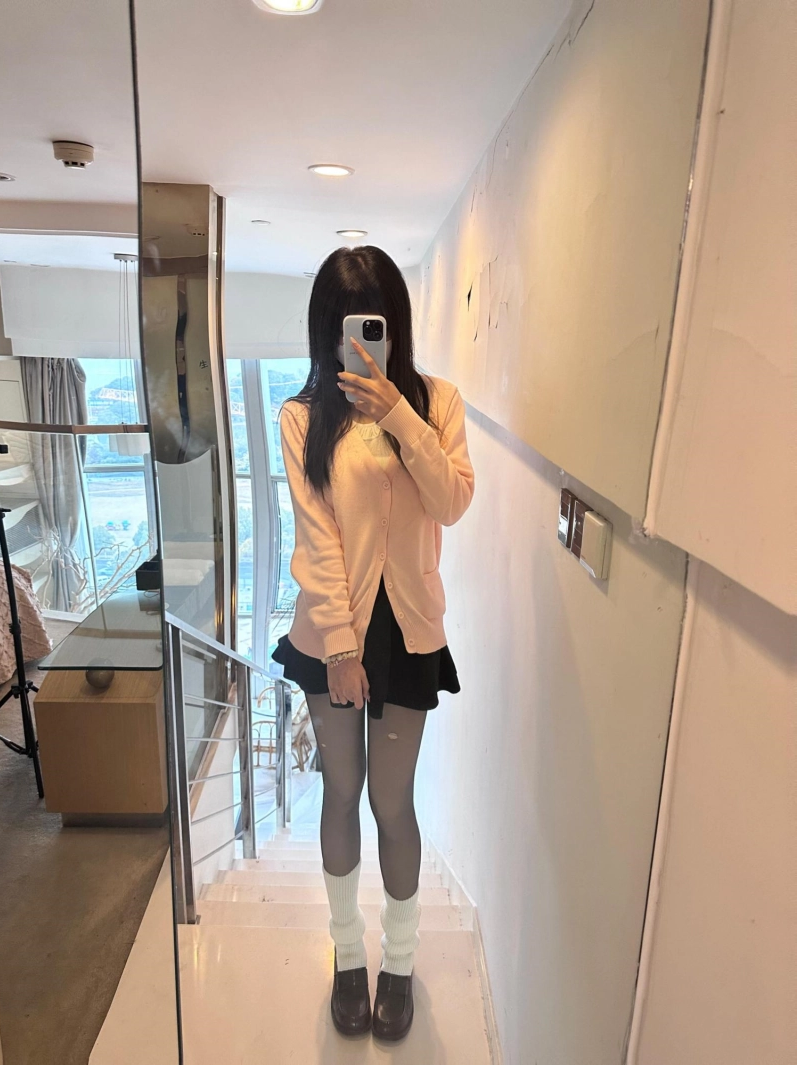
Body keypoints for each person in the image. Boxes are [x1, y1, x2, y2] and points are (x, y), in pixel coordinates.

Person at [272, 245, 474, 1040]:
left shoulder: (437, 403)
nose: (355, 343)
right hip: (333, 632)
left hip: (409, 633)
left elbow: (451, 501)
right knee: (340, 791)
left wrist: (397, 413)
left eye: (372, 326)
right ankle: (348, 957)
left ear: (395, 326)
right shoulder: (301, 417)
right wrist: (339, 645)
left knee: (392, 800)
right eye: (342, 327)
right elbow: (317, 535)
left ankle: (400, 962)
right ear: (324, 330)